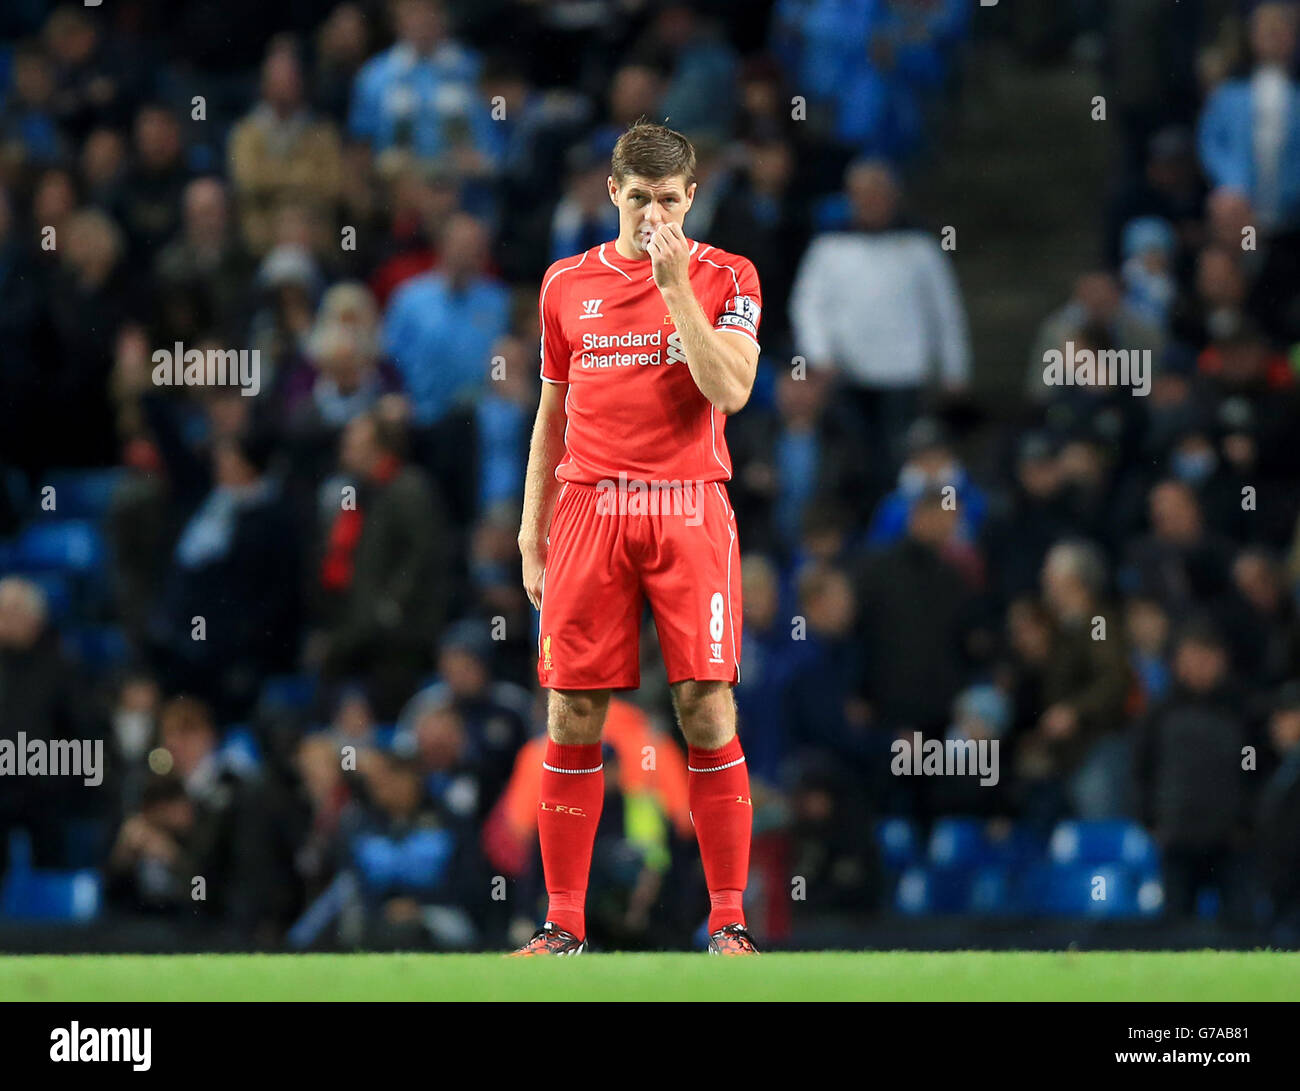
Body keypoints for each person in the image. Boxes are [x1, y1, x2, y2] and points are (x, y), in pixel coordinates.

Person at [513, 121, 762, 955]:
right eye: (638, 198)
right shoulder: (564, 284)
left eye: (668, 199)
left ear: (692, 196)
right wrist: (530, 530)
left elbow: (728, 390)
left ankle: (727, 920)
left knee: (703, 702)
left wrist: (672, 286)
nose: (653, 213)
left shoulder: (727, 276)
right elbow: (551, 414)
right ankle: (564, 925)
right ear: (611, 193)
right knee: (574, 707)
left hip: (688, 503)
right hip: (588, 508)